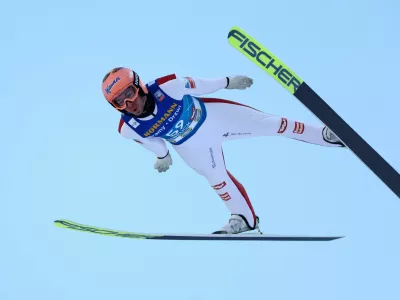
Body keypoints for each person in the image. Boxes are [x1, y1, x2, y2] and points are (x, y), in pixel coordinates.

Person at [101, 67, 345, 234]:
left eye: (129, 94)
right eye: (118, 102)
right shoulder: (127, 128)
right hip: (190, 146)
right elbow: (150, 140)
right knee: (217, 180)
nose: (128, 104)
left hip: (215, 118)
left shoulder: (168, 86)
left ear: (139, 86)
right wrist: (162, 156)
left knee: (273, 124)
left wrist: (228, 82)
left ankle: (325, 135)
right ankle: (244, 220)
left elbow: (200, 85)